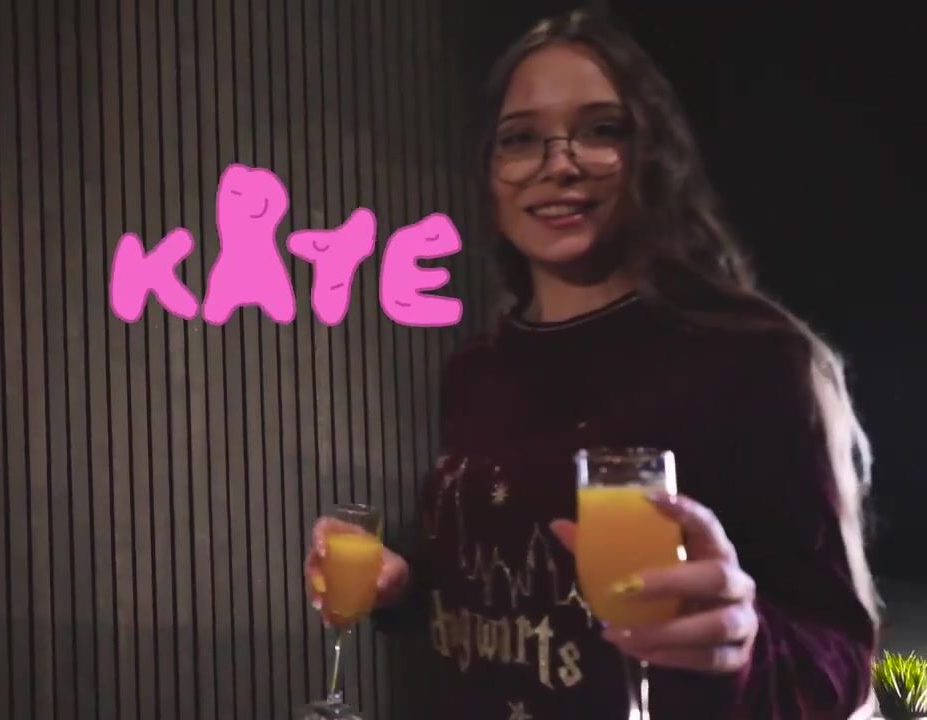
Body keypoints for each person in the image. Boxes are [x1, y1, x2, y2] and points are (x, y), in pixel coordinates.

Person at [304, 9, 879, 720]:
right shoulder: (477, 370)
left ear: (653, 155)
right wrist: (405, 585)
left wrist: (745, 644)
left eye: (601, 130)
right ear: (489, 173)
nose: (559, 164)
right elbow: (510, 596)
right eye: (520, 139)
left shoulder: (752, 360)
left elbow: (841, 655)